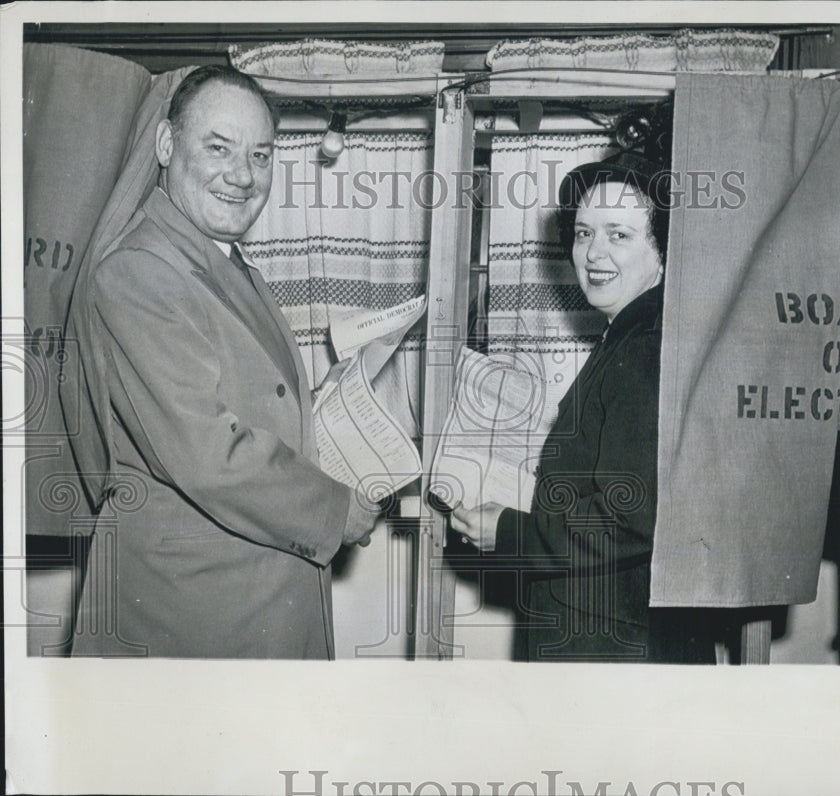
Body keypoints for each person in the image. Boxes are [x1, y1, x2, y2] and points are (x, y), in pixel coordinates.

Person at [60, 66, 379, 659]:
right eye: (218, 147)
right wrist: (337, 512)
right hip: (190, 616)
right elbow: (210, 456)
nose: (242, 175)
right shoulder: (140, 272)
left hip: (243, 600)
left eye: (261, 155)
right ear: (165, 145)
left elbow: (255, 407)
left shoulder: (224, 265)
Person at [450, 152, 716, 663]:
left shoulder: (644, 349)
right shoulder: (635, 336)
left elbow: (632, 516)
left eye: (619, 235)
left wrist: (508, 531)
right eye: (583, 232)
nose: (593, 253)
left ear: (663, 251)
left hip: (613, 643)